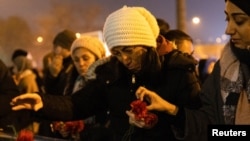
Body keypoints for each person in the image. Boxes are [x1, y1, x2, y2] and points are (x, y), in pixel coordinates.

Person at [11, 6, 201, 141]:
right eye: (117, 53)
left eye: (129, 50)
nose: (124, 59)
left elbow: (200, 124)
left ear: (147, 45)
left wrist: (167, 115)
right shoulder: (112, 73)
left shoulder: (178, 71)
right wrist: (43, 102)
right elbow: (78, 104)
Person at [121, 0, 250, 141]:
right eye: (227, 19)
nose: (229, 30)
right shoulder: (224, 67)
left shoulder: (182, 70)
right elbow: (208, 126)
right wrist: (171, 110)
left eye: (239, 20)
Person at [43, 29, 76, 95]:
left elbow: (64, 91)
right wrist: (52, 75)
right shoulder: (56, 62)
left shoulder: (76, 64)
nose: (53, 49)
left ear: (66, 47)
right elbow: (48, 90)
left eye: (56, 46)